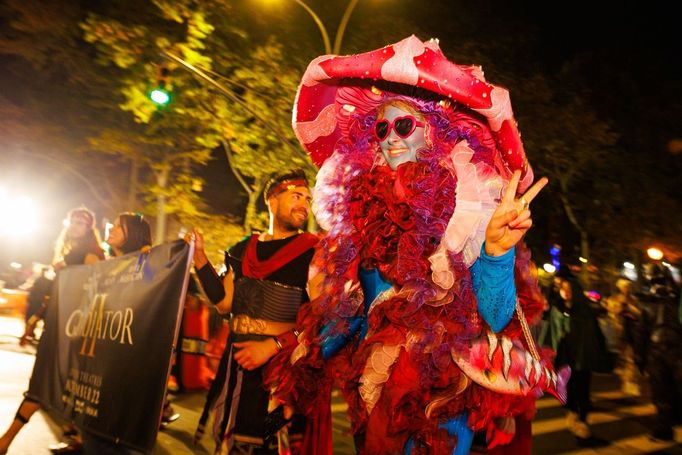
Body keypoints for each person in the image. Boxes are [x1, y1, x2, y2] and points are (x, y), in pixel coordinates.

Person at [271, 36, 561, 454]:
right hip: (372, 391)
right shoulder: (359, 215)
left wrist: (496, 252)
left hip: (443, 401)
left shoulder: (471, 210)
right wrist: (299, 363)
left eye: (404, 125)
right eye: (382, 127)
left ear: (435, 135)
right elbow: (344, 314)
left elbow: (494, 318)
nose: (391, 137)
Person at [188, 168, 318, 454]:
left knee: (270, 446)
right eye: (296, 196)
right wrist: (199, 260)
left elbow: (322, 319)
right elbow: (223, 303)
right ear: (272, 199)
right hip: (236, 367)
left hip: (279, 373)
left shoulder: (314, 251)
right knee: (232, 445)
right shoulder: (241, 249)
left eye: (307, 199)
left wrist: (272, 347)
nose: (304, 205)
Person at [1, 207, 106, 455]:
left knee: (44, 383)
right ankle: (76, 438)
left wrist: (80, 326)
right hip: (57, 324)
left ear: (90, 227)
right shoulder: (71, 251)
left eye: (82, 221)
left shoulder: (91, 253)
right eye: (73, 220)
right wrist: (36, 318)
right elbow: (58, 292)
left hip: (71, 331)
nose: (76, 225)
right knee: (64, 385)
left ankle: (5, 441)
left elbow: (93, 290)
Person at [553, 267, 611, 442]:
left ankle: (583, 424)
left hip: (583, 362)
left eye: (569, 289)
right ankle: (575, 420)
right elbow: (552, 337)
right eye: (563, 289)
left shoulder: (585, 313)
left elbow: (595, 337)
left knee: (583, 393)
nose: (566, 292)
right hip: (566, 361)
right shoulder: (558, 311)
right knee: (570, 392)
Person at [633, 262, 682, 441]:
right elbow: (641, 332)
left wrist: (639, 358)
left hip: (666, 352)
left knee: (663, 392)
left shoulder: (668, 301)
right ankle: (666, 427)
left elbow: (640, 333)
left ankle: (665, 427)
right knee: (666, 391)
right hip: (665, 352)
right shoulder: (662, 302)